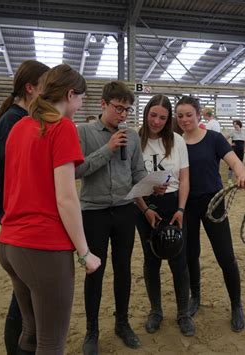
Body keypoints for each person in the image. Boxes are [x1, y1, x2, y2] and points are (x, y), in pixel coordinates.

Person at [0, 64, 101, 354]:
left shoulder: (19, 126)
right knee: (51, 343)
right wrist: (84, 253)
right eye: (80, 98)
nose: (80, 106)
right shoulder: (61, 127)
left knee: (31, 334)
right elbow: (66, 198)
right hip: (42, 246)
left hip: (10, 244)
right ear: (70, 94)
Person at [75, 81, 147, 352]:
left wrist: (152, 184)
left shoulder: (132, 137)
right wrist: (109, 148)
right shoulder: (83, 132)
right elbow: (77, 170)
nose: (123, 114)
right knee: (95, 271)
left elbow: (137, 172)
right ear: (103, 104)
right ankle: (92, 331)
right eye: (119, 108)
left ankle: (122, 323)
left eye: (128, 109)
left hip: (125, 210)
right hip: (93, 211)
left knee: (123, 269)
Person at [175, 96, 245, 333]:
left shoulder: (214, 139)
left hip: (213, 203)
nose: (185, 119)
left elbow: (236, 162)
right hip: (185, 205)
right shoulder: (175, 143)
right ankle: (195, 297)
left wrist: (241, 174)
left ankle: (236, 304)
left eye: (189, 114)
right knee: (190, 254)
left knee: (225, 256)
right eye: (180, 116)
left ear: (199, 115)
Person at [0, 59, 50, 355]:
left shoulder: (16, 118)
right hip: (19, 218)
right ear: (30, 88)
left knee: (25, 293)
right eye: (45, 87)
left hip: (17, 216)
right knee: (24, 295)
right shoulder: (14, 121)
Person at [134, 94, 194, 336]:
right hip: (144, 205)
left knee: (179, 260)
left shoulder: (177, 141)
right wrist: (146, 208)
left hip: (172, 204)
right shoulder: (135, 140)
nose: (156, 122)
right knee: (151, 259)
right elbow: (130, 180)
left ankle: (183, 313)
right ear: (146, 112)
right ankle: (156, 311)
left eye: (162, 117)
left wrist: (180, 209)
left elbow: (185, 178)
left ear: (169, 119)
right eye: (152, 115)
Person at [226, 119, 245, 185]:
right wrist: (230, 144)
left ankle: (238, 177)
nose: (235, 126)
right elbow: (225, 138)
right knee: (232, 163)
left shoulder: (244, 132)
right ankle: (229, 178)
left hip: (241, 151)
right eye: (234, 125)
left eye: (236, 124)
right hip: (234, 150)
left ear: (239, 124)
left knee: (240, 164)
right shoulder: (232, 132)